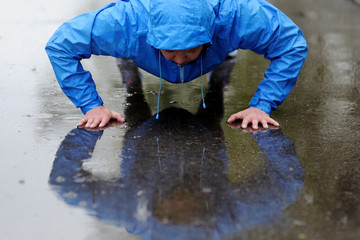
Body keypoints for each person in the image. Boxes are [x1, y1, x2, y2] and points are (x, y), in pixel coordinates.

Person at [45, 0, 308, 130]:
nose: (180, 60)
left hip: (217, 43)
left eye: (190, 51)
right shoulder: (126, 24)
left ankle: (223, 55)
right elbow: (61, 45)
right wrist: (91, 105)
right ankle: (127, 59)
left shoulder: (234, 18)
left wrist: (262, 105)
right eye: (171, 52)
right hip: (139, 46)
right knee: (129, 53)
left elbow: (291, 45)